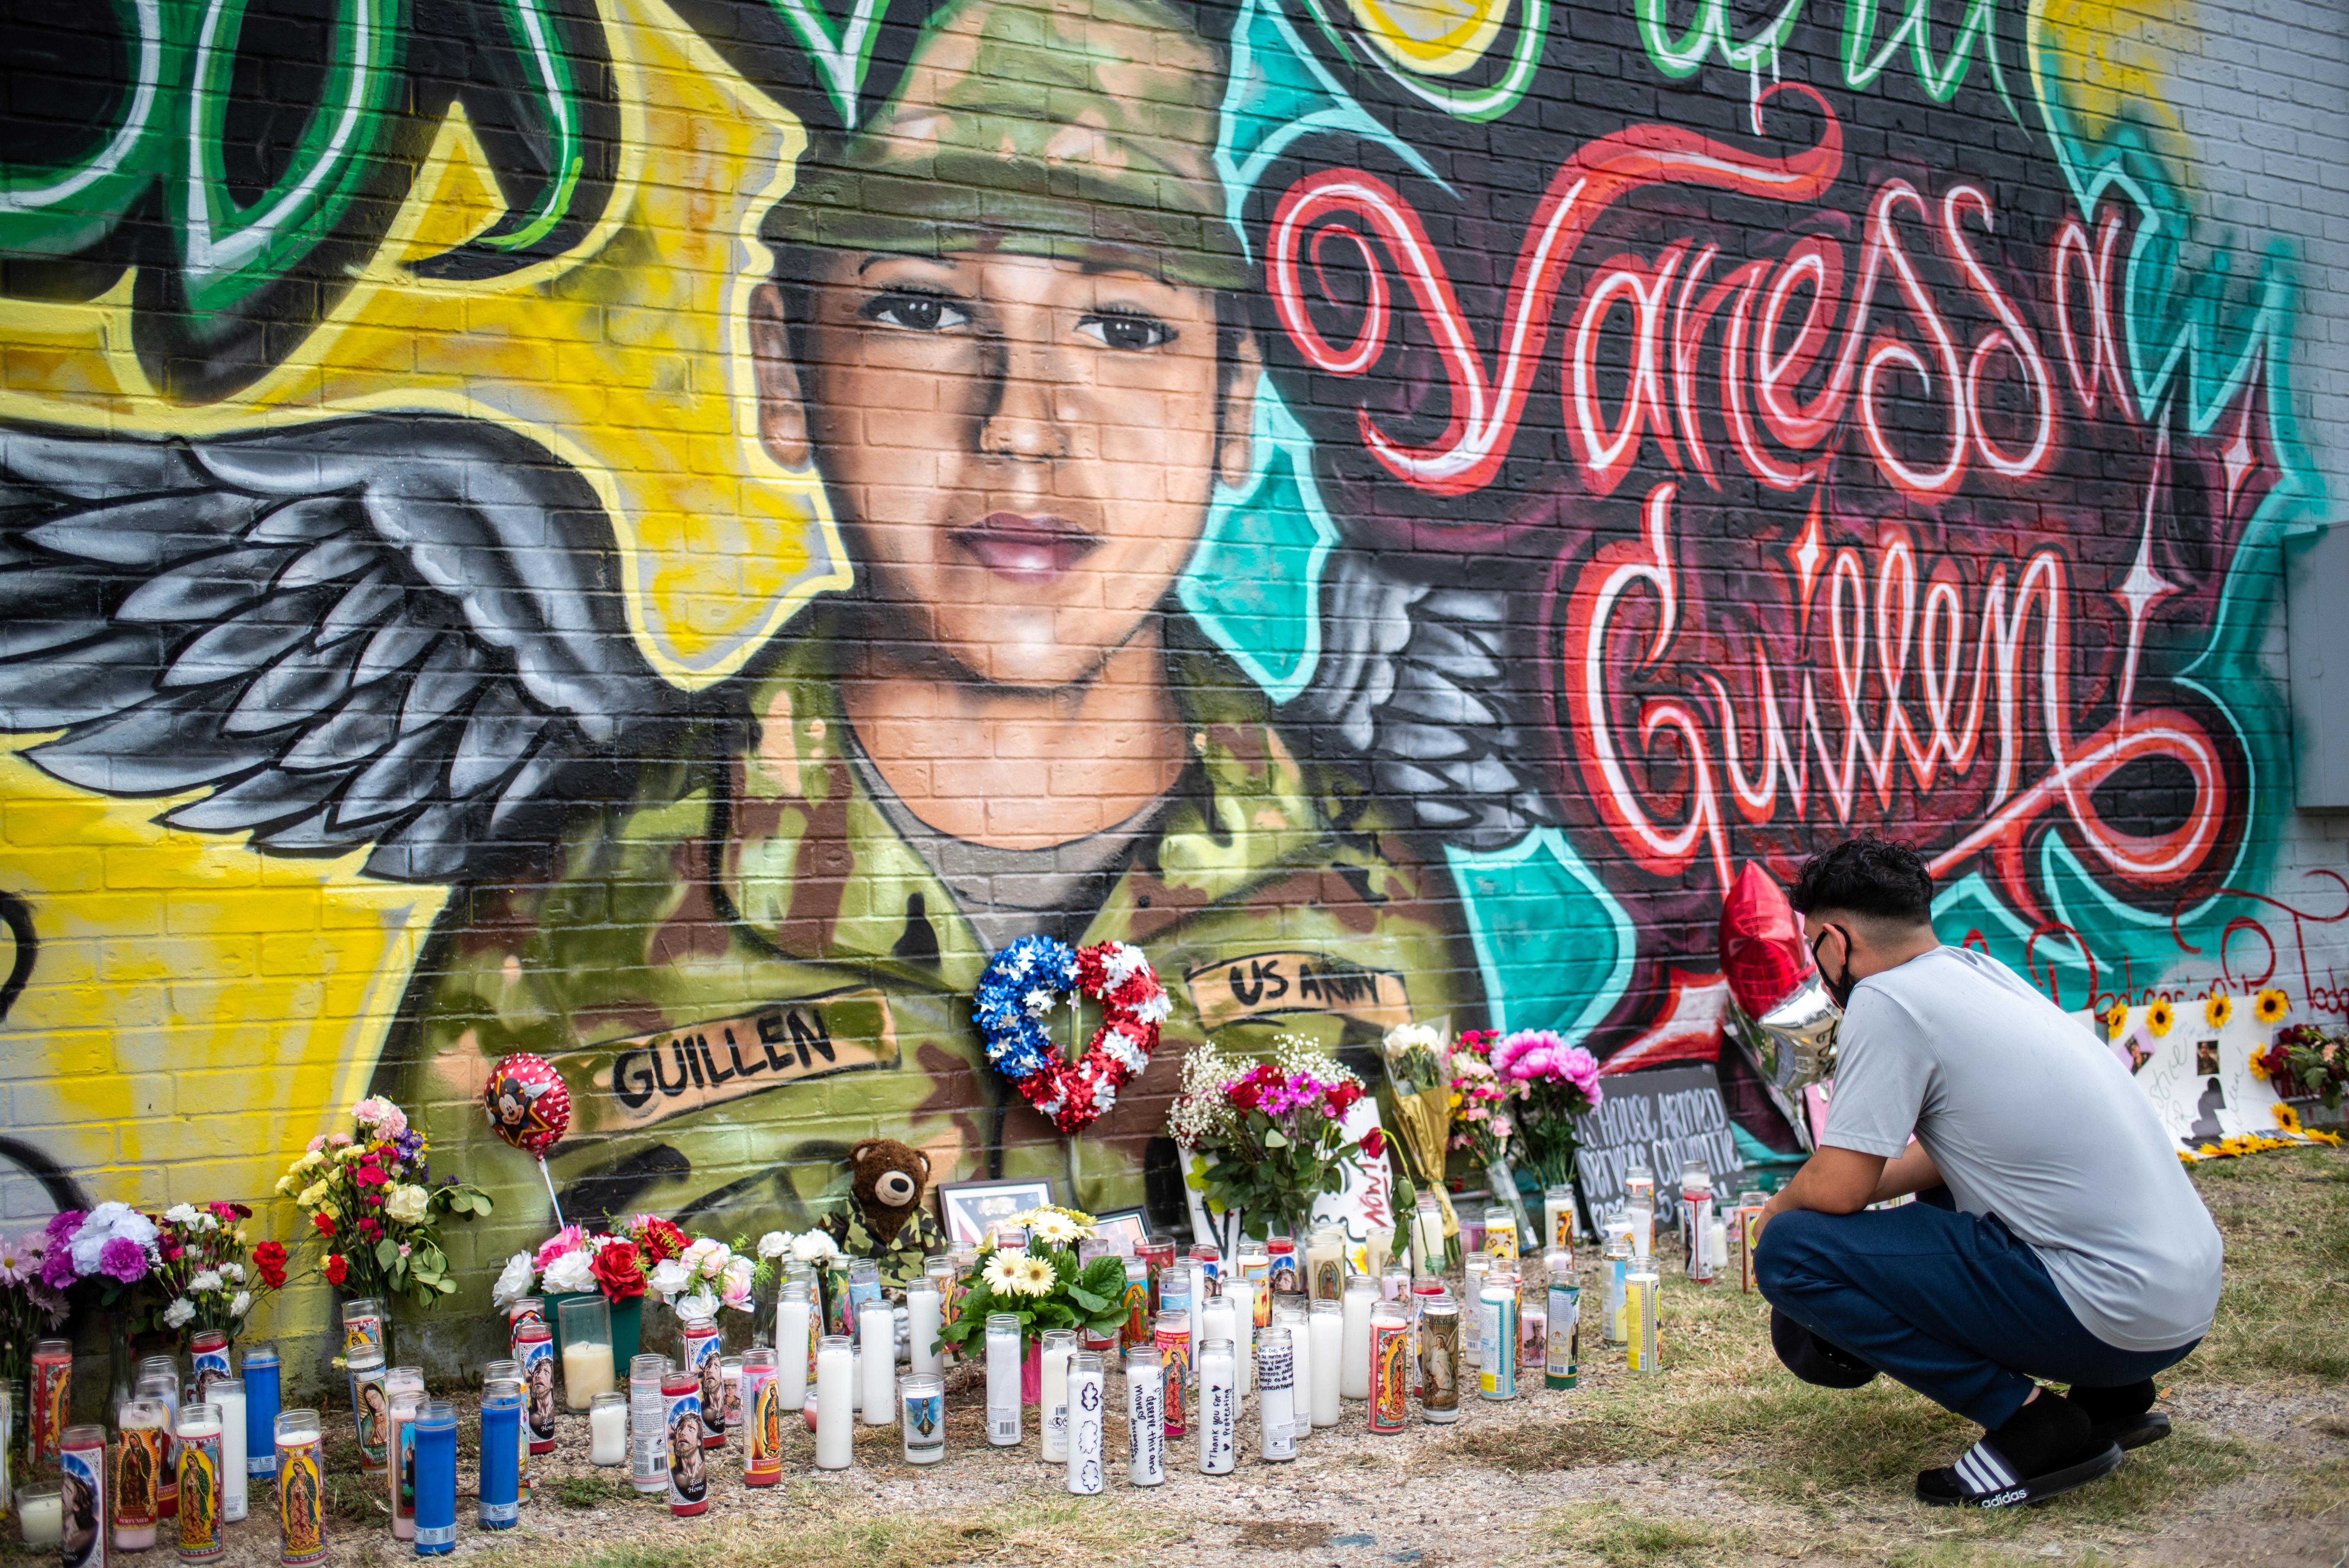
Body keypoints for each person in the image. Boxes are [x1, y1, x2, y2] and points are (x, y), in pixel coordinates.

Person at [380, 0, 1478, 1237]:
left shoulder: (1367, 876)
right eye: (924, 309)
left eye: (1125, 327)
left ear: (1234, 407)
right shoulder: (579, 909)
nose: (1021, 422)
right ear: (786, 371)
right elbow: (443, 1358)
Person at [1752, 837, 2222, 1507]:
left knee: (1794, 1253)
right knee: (1940, 1189)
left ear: (1834, 940)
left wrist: (1779, 1210)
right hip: (2178, 1310)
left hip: (2108, 1315)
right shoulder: (1982, 972)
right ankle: (2112, 1399)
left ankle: (2033, 1424)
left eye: (1811, 946)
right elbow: (1951, 1156)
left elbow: (1837, 1187)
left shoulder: (1886, 1001)